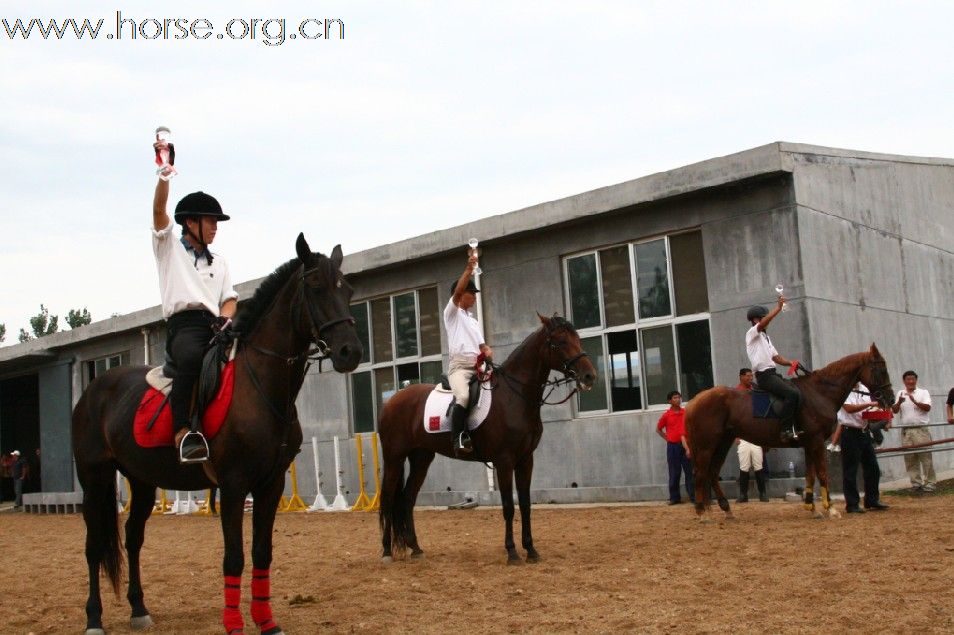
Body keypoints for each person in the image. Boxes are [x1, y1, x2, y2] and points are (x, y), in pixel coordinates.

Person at [152, 138, 237, 462]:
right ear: (190, 222)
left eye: (216, 223)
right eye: (210, 221)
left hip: (217, 325)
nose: (215, 228)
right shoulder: (168, 248)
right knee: (190, 360)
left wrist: (227, 318)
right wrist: (163, 175)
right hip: (184, 328)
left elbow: (229, 299)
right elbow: (159, 212)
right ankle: (182, 432)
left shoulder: (222, 262)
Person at [443, 247, 493, 455]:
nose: (474, 297)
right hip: (460, 369)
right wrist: (469, 268)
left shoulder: (473, 321)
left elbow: (482, 346)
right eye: (472, 293)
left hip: (478, 367)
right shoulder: (452, 314)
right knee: (463, 396)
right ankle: (458, 439)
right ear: (462, 294)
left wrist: (488, 352)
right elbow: (456, 293)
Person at [745, 297, 802, 441]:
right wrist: (778, 308)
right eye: (763, 318)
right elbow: (766, 321)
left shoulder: (766, 337)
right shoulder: (752, 333)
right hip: (764, 376)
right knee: (791, 394)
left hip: (772, 373)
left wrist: (791, 363)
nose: (767, 321)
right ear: (756, 320)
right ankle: (784, 430)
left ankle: (795, 426)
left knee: (797, 391)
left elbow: (776, 358)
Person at [839, 382, 889, 513]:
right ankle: (852, 504)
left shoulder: (864, 389)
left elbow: (866, 412)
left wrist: (879, 415)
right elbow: (848, 408)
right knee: (850, 470)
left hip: (864, 431)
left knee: (873, 468)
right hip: (849, 432)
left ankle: (872, 499)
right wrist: (870, 405)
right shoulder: (844, 389)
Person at [891, 370, 935, 492]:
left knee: (925, 457)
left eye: (913, 379)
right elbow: (894, 411)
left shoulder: (923, 392)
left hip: (921, 429)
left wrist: (915, 401)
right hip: (906, 431)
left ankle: (930, 483)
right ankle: (916, 484)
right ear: (904, 381)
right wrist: (899, 402)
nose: (910, 381)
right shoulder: (900, 393)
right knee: (910, 458)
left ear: (916, 380)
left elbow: (928, 408)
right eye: (908, 379)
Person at [734, 369, 768, 502]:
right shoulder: (736, 392)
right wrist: (736, 435)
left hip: (756, 434)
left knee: (759, 464)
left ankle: (763, 493)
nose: (750, 378)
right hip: (743, 435)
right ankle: (743, 495)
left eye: (751, 376)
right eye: (747, 376)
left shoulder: (756, 389)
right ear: (741, 377)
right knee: (744, 466)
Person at [656, 390, 694, 505]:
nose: (678, 400)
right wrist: (668, 439)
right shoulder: (666, 415)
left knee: (690, 472)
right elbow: (658, 429)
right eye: (675, 398)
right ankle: (674, 498)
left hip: (686, 445)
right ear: (670, 401)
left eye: (679, 397)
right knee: (674, 472)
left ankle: (693, 496)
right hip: (673, 447)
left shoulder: (685, 413)